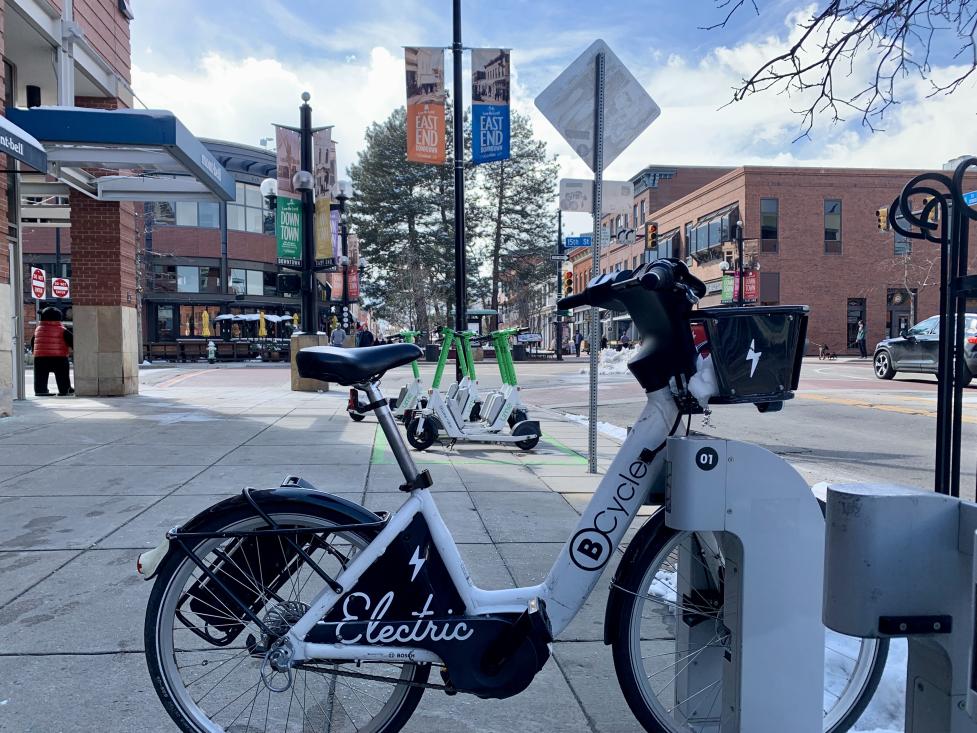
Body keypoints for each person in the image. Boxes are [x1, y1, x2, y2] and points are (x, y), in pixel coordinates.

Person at [32, 307, 73, 396]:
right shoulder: (62, 330)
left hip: (40, 359)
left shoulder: (38, 330)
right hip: (59, 358)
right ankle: (65, 389)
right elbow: (72, 341)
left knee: (40, 376)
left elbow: (33, 342)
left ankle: (40, 390)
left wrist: (34, 352)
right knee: (62, 376)